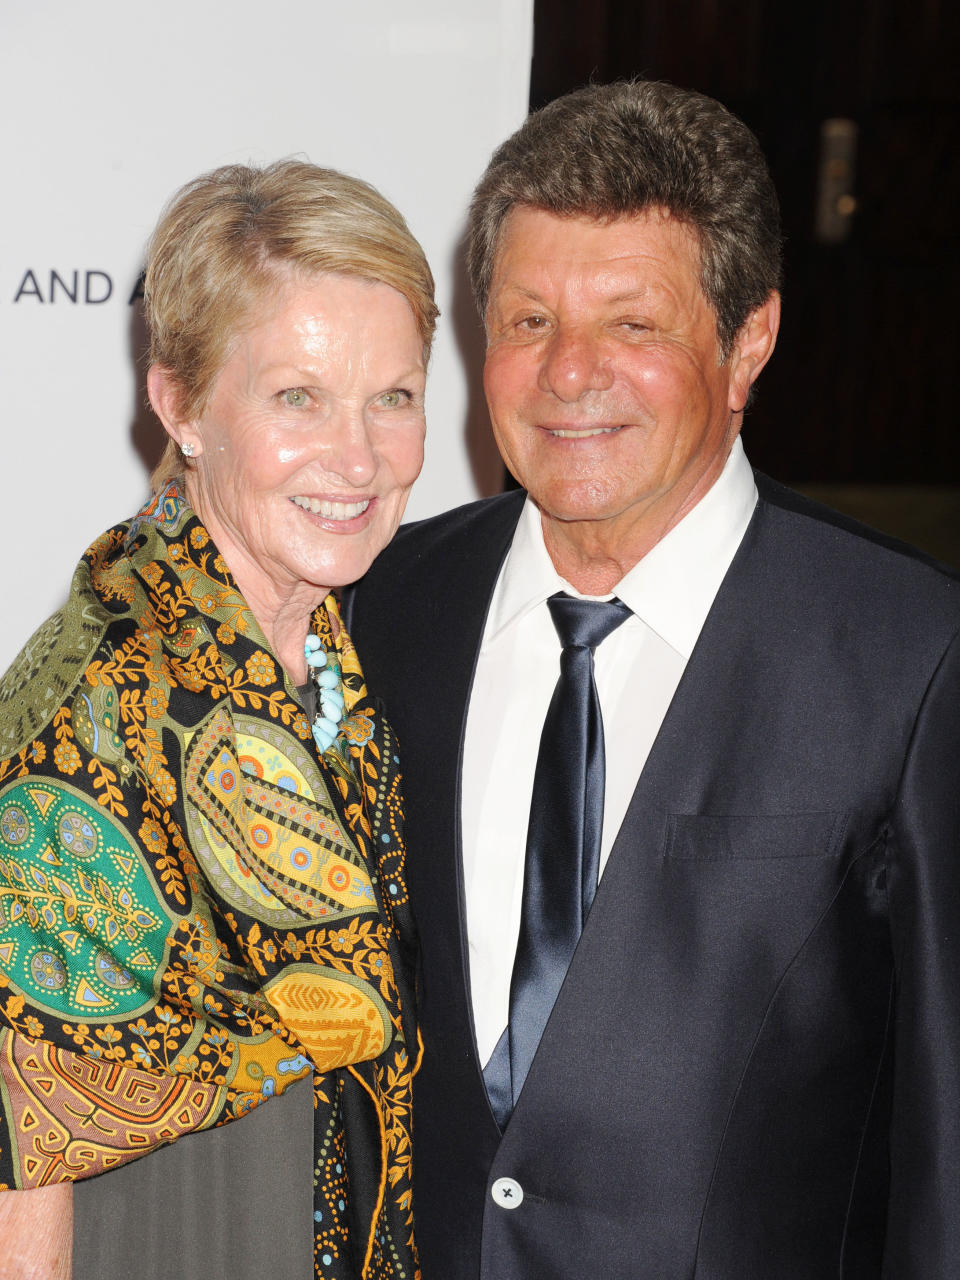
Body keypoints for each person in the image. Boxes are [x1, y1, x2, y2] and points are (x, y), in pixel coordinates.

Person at [344, 80, 960, 1278]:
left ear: (750, 344)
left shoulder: (910, 654)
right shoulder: (385, 605)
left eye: (632, 324)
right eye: (527, 322)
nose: (569, 374)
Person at [0, 158, 437, 1280]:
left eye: (393, 394)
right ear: (181, 407)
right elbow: (23, 1141)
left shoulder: (332, 644)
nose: (359, 456)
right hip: (171, 1230)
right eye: (298, 396)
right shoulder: (105, 702)